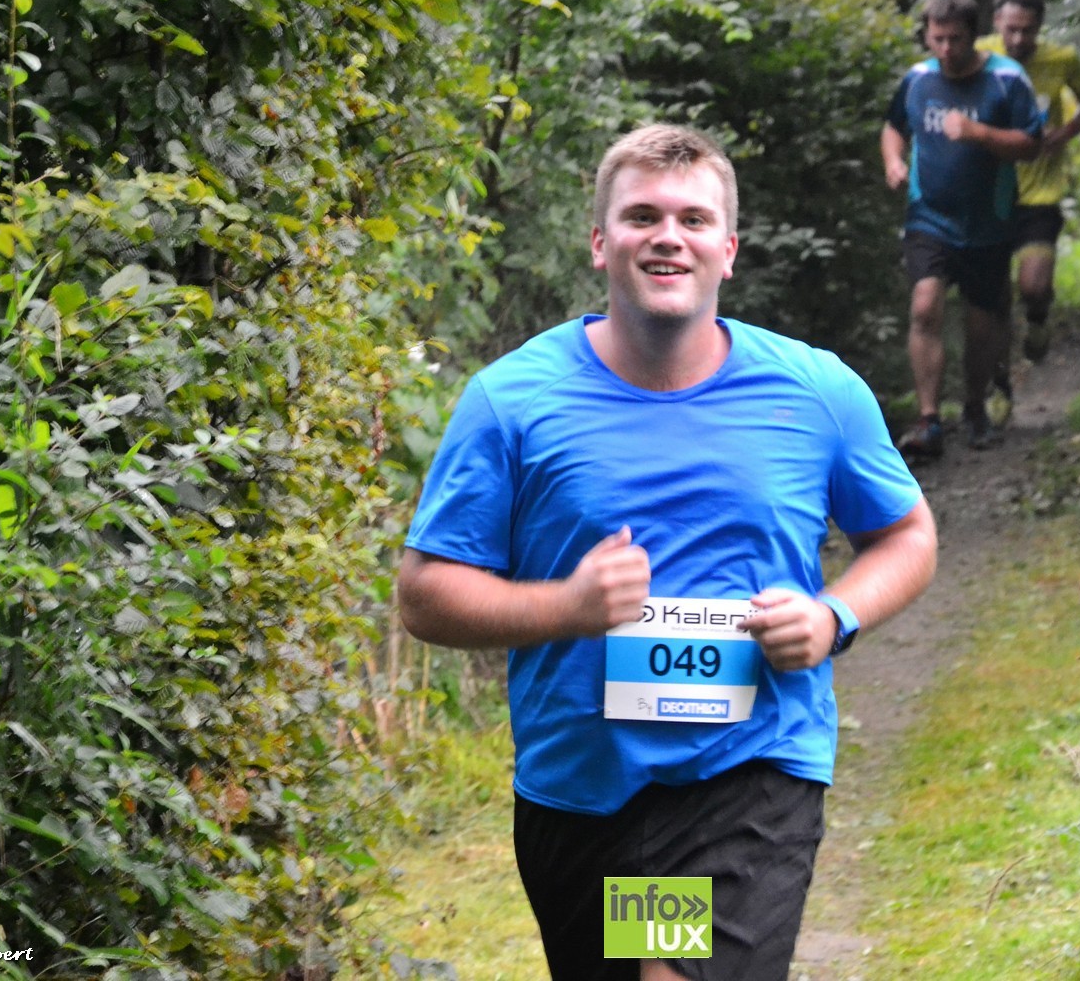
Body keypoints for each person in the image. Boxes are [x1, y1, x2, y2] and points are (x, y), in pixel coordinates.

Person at [398, 124, 937, 981]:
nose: (668, 236)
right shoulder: (513, 400)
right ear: (601, 242)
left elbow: (906, 534)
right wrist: (565, 608)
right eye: (642, 215)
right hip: (584, 785)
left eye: (692, 218)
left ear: (727, 249)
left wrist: (833, 615)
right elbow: (423, 594)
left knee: (669, 977)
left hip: (747, 769)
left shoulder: (814, 391)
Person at [881, 0, 1042, 459]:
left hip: (988, 221)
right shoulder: (917, 80)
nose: (946, 49)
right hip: (928, 216)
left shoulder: (1006, 80)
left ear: (975, 35)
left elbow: (1032, 142)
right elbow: (893, 127)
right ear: (927, 37)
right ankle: (930, 419)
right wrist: (893, 161)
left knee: (980, 323)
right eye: (937, 39)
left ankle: (974, 407)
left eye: (954, 39)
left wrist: (979, 133)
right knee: (925, 303)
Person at [975, 0, 1080, 367]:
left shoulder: (1062, 60)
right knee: (992, 297)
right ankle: (999, 382)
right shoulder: (979, 54)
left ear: (1040, 26)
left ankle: (1038, 318)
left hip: (1040, 193)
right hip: (989, 192)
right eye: (1010, 29)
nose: (1018, 38)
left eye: (1027, 29)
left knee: (1033, 286)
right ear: (996, 22)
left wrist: (1064, 134)